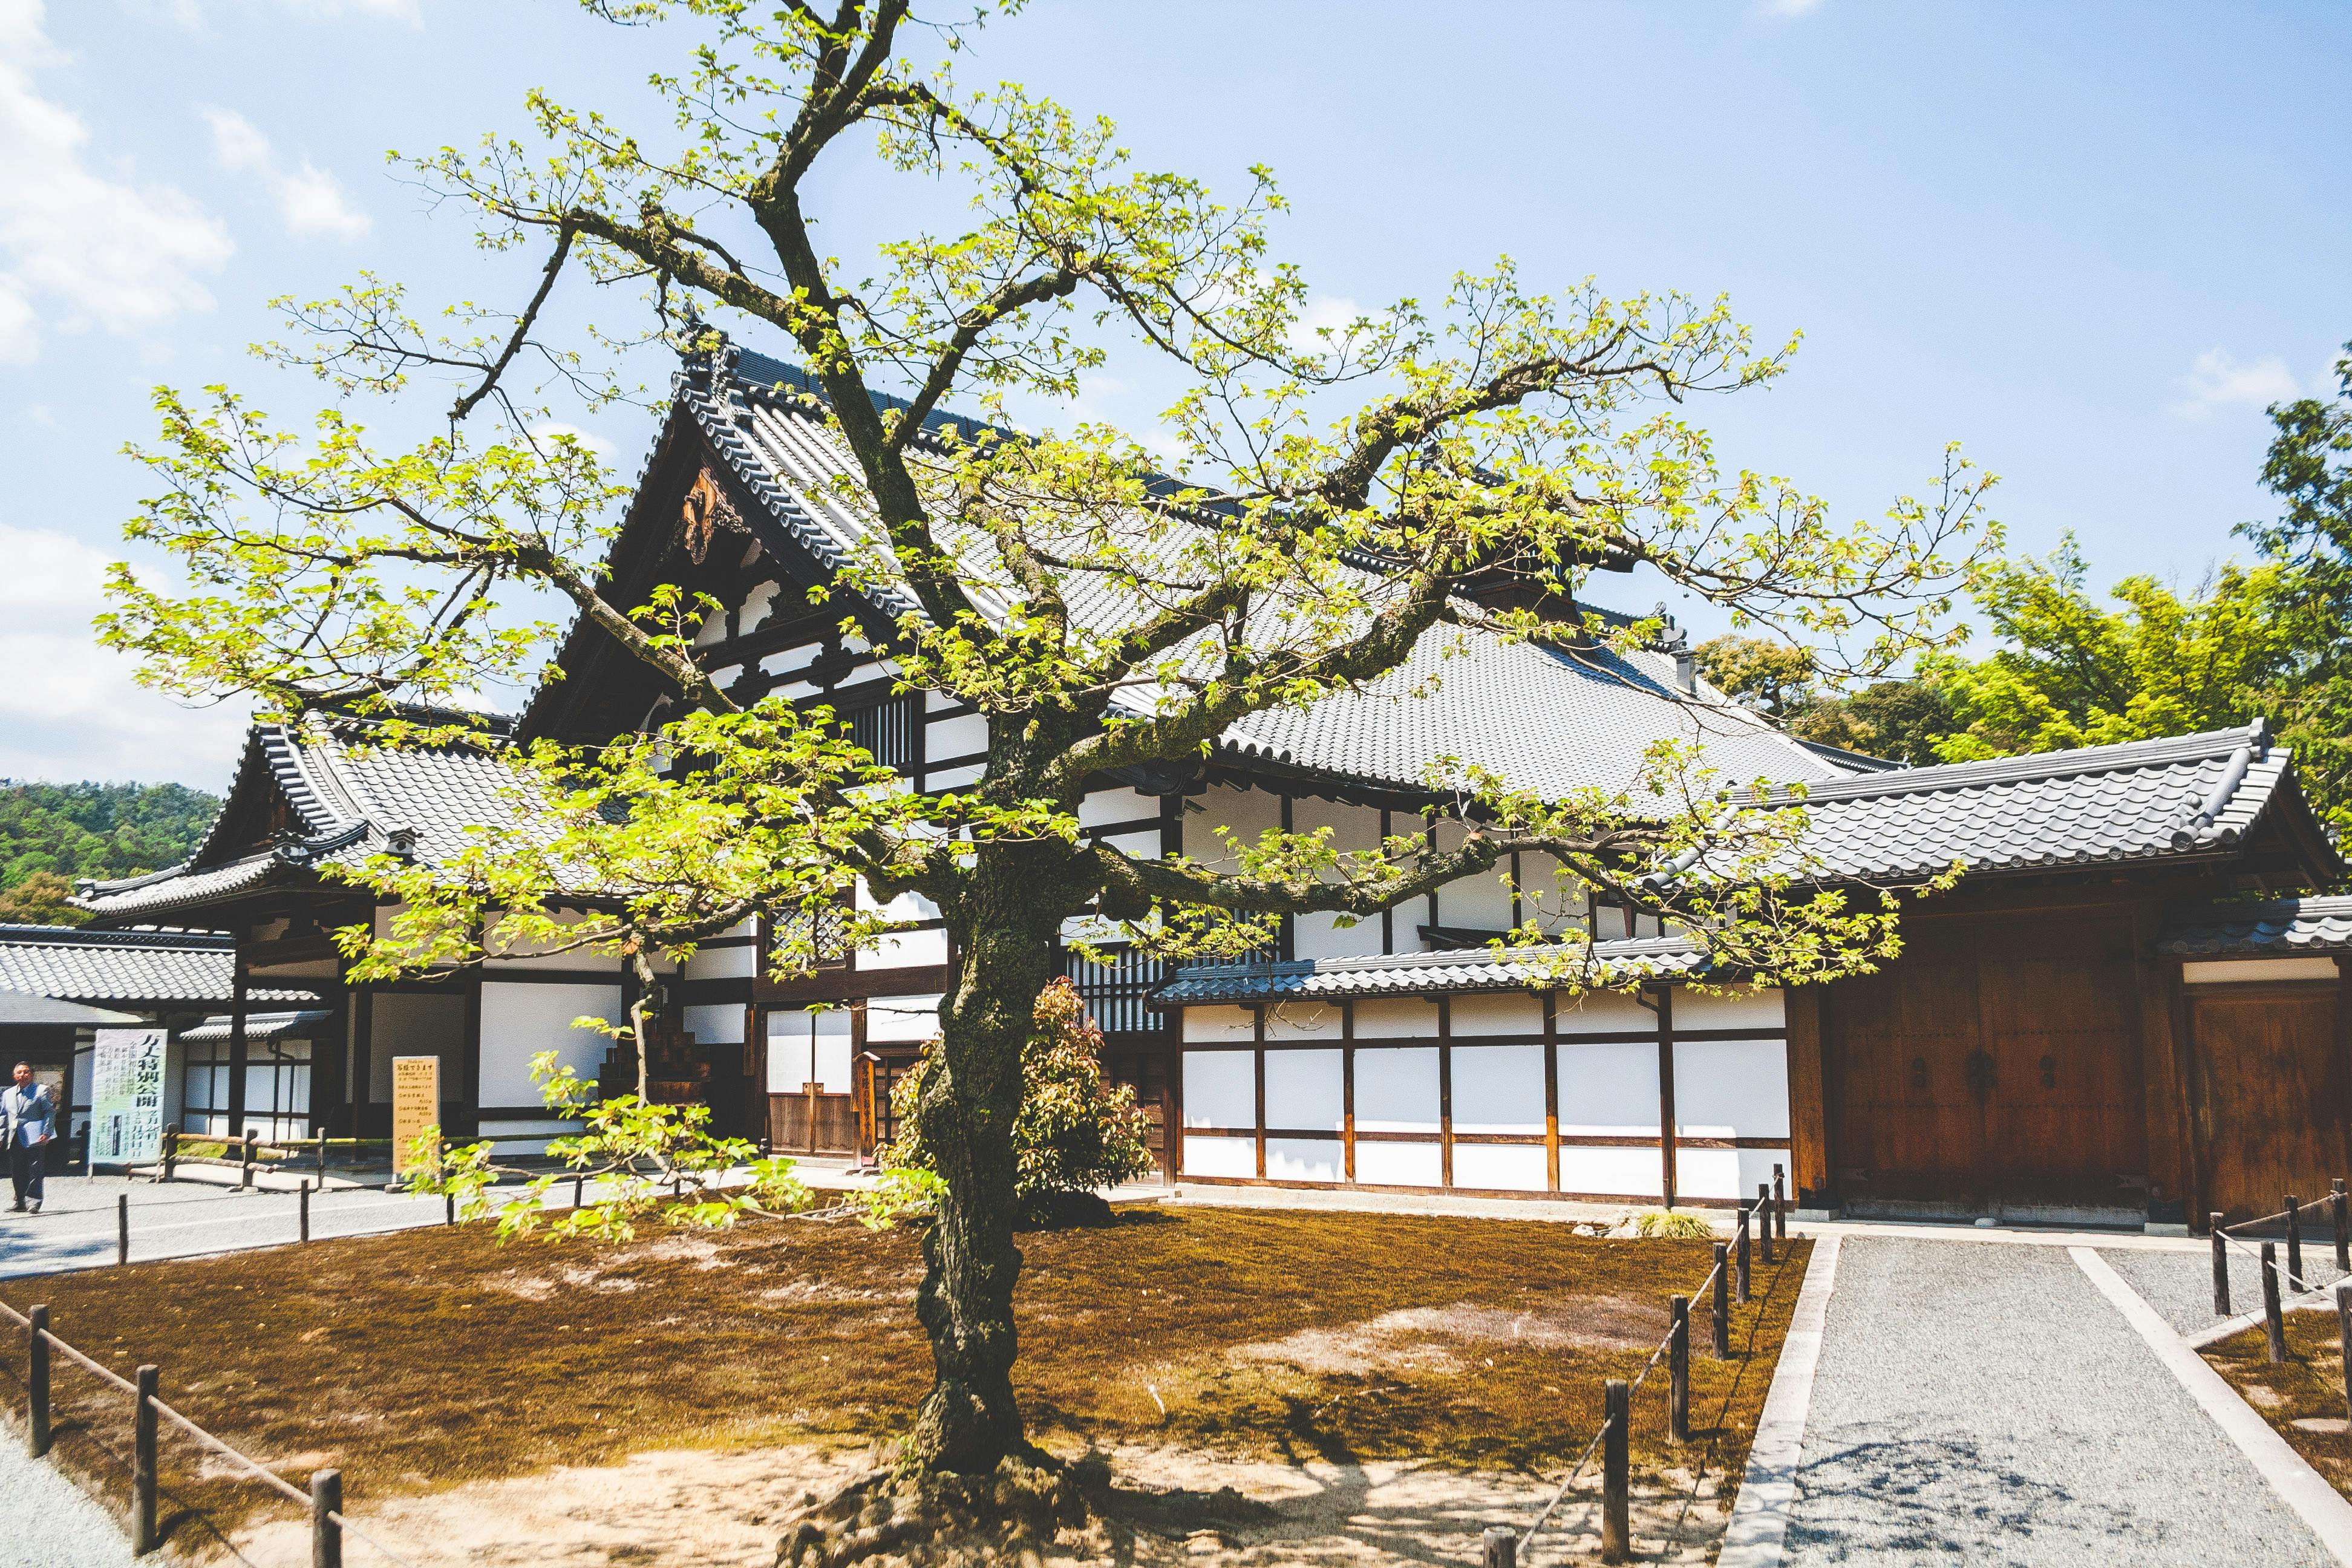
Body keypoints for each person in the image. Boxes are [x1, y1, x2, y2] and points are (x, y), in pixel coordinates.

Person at [4, 1062, 55, 1214]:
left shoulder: (41, 1091)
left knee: (35, 1170)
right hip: (15, 1137)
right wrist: (1, 1136)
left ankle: (34, 1202)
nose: (23, 1075)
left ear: (32, 1075)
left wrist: (46, 1132)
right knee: (17, 1171)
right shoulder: (8, 1094)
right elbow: (3, 1116)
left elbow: (49, 1112)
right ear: (14, 1076)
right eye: (19, 1072)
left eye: (26, 1072)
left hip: (35, 1136)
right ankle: (20, 1202)